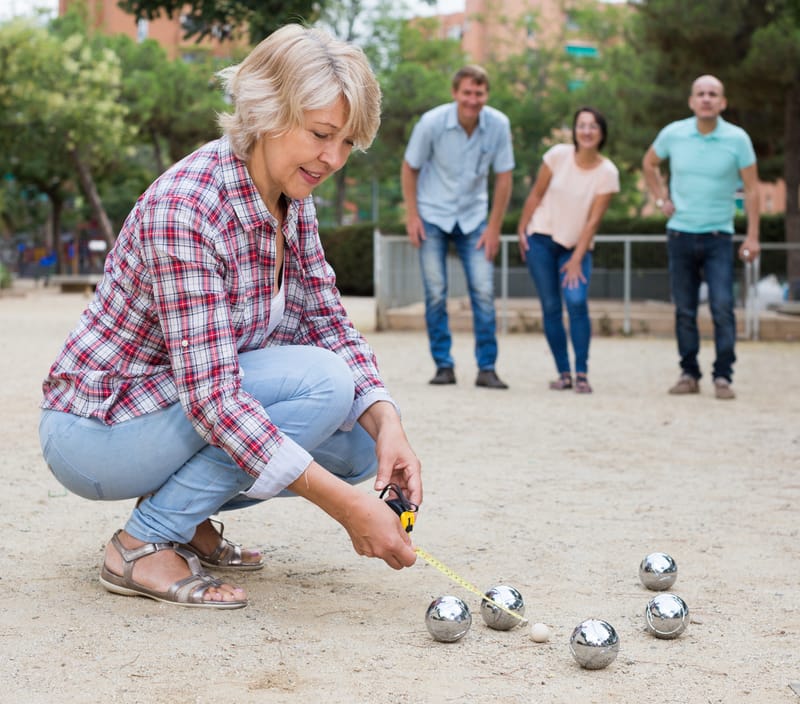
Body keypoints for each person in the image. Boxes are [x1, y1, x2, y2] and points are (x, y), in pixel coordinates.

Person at [38, 24, 422, 610]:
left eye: (347, 142)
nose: (333, 158)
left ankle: (188, 521)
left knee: (363, 446)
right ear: (267, 112)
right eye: (321, 134)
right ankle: (141, 544)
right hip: (98, 431)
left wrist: (389, 422)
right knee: (323, 385)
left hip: (175, 411)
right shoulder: (188, 207)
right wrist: (347, 510)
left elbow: (328, 322)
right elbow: (214, 399)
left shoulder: (293, 198)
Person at [642, 74, 760, 400]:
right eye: (700, 93)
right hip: (680, 234)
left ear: (722, 102)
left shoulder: (738, 139)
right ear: (692, 101)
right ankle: (688, 373)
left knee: (723, 306)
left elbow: (752, 189)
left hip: (718, 236)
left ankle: (723, 376)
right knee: (685, 309)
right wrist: (660, 199)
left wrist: (752, 236)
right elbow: (649, 163)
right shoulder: (673, 134)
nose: (706, 99)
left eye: (713, 94)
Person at [401, 65, 514, 389]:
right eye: (467, 92)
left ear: (486, 95)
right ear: (455, 93)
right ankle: (444, 366)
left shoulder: (498, 125)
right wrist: (412, 215)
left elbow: (504, 177)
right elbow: (410, 168)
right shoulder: (432, 123)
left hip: (473, 217)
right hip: (433, 214)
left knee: (483, 291)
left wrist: (494, 228)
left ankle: (487, 368)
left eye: (479, 93)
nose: (472, 100)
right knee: (435, 292)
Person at [516, 107, 619, 394]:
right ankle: (563, 373)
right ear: (575, 130)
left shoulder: (608, 172)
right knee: (550, 307)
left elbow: (592, 222)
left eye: (593, 126)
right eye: (581, 125)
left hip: (577, 247)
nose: (586, 131)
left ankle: (582, 373)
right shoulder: (557, 156)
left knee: (576, 301)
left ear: (601, 133)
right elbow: (536, 193)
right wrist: (522, 230)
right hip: (541, 239)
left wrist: (576, 259)